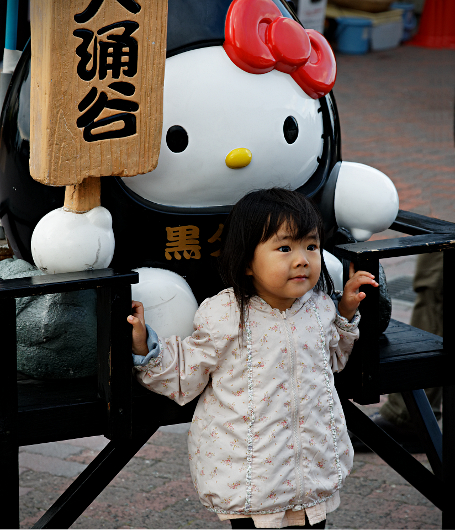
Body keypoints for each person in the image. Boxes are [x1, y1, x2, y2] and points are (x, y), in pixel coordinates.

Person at [128, 188, 378, 529]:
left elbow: (332, 358)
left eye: (311, 245)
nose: (302, 258)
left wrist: (345, 312)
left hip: (312, 466)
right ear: (247, 261)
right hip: (250, 476)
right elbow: (187, 372)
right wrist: (145, 348)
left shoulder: (319, 307)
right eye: (285, 248)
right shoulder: (226, 315)